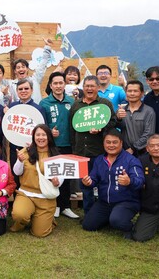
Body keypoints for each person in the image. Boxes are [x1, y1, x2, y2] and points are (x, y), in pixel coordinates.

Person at [81, 129, 144, 237]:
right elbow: (93, 179)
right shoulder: (99, 160)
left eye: (115, 142)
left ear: (121, 143)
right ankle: (110, 218)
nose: (111, 145)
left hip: (127, 202)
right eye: (108, 142)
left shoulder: (131, 160)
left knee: (117, 220)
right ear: (104, 143)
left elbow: (140, 181)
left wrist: (129, 181)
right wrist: (88, 182)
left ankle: (131, 227)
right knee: (88, 225)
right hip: (104, 202)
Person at [69, 75, 117, 214]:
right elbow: (72, 128)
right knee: (85, 185)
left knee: (103, 183)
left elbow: (113, 122)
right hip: (81, 152)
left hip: (99, 151)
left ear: (97, 87)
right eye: (87, 86)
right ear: (83, 88)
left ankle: (104, 212)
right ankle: (89, 213)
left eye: (92, 86)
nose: (89, 89)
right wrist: (74, 148)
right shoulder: (76, 105)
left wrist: (101, 128)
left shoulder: (105, 104)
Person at [10, 124, 62, 237]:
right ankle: (23, 220)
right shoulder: (26, 151)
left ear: (49, 137)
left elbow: (60, 178)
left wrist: (57, 182)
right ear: (33, 137)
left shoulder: (55, 155)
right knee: (19, 214)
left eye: (44, 135)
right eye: (38, 135)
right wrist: (19, 161)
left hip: (46, 197)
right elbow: (17, 172)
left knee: (40, 233)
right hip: (26, 194)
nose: (41, 138)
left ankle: (46, 220)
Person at [40, 72, 79, 219]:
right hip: (52, 146)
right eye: (55, 83)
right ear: (50, 85)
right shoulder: (44, 103)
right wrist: (49, 132)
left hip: (69, 144)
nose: (58, 86)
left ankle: (66, 206)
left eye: (60, 83)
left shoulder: (72, 102)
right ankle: (55, 205)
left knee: (67, 176)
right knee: (53, 176)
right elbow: (41, 127)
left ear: (64, 84)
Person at [7, 79, 47, 187]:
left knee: (32, 174)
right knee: (16, 175)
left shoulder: (39, 108)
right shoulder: (11, 107)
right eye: (20, 89)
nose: (23, 91)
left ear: (32, 90)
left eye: (26, 88)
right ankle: (18, 201)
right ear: (17, 91)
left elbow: (43, 130)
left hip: (34, 148)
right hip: (15, 148)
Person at [116, 80, 156, 157]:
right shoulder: (121, 109)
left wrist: (133, 148)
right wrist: (118, 118)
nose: (132, 94)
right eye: (129, 91)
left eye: (135, 91)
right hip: (124, 151)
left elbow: (149, 134)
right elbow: (117, 128)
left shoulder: (148, 111)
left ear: (142, 93)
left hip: (143, 152)